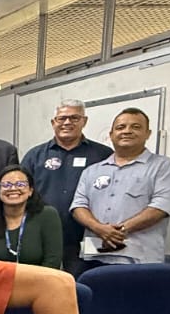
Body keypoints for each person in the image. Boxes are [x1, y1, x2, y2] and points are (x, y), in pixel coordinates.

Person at [70, 108, 170, 267]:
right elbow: (78, 206)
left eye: (136, 127)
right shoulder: (92, 171)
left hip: (139, 260)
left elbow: (161, 207)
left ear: (148, 134)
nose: (127, 131)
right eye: (120, 127)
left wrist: (119, 230)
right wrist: (99, 228)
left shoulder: (164, 167)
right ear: (111, 135)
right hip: (94, 256)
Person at [22, 99, 113, 273]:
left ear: (84, 121)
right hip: (41, 235)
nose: (67, 122)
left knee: (81, 283)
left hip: (86, 236)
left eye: (74, 118)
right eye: (62, 118)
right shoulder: (35, 156)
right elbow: (21, 192)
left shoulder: (102, 155)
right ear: (53, 122)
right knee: (43, 281)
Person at [0, 165, 63, 269]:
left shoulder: (47, 215)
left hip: (40, 278)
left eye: (20, 184)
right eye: (6, 185)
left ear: (30, 190)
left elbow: (52, 261)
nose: (13, 188)